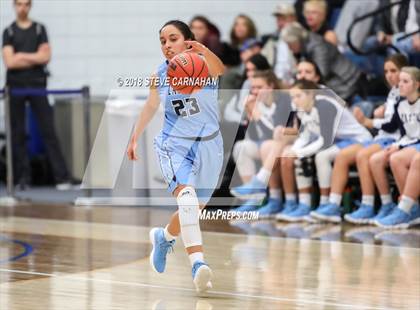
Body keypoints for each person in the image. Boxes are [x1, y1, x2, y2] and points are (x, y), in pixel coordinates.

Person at [126, 20, 225, 293]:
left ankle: (164, 237)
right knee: (188, 201)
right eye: (162, 41)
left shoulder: (204, 65)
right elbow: (151, 104)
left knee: (193, 209)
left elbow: (221, 69)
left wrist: (203, 50)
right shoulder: (159, 74)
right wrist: (135, 136)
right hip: (175, 145)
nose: (167, 45)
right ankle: (198, 264)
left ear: (187, 41)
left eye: (173, 39)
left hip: (209, 145)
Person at [2, 0, 72, 190]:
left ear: (30, 6)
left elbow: (45, 57)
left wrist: (21, 56)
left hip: (37, 86)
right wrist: (33, 57)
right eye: (19, 4)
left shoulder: (40, 29)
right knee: (17, 133)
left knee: (48, 131)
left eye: (26, 4)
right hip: (15, 87)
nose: (22, 8)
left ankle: (62, 178)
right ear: (14, 6)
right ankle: (21, 179)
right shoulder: (8, 32)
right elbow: (10, 62)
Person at [339, 54, 408, 225]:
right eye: (386, 71)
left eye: (394, 71)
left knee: (363, 156)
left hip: (395, 139)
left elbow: (393, 125)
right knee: (355, 155)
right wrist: (382, 109)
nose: (389, 75)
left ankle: (378, 204)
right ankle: (372, 205)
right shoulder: (393, 92)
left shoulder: (405, 92)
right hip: (384, 137)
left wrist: (369, 121)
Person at [230, 70, 296, 218]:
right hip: (269, 143)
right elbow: (253, 136)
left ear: (271, 86)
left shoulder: (283, 100)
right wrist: (250, 112)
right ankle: (252, 200)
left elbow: (274, 134)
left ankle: (272, 197)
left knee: (268, 146)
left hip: (287, 141)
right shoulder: (255, 104)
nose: (255, 91)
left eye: (259, 87)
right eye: (253, 88)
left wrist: (257, 115)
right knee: (241, 147)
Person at [369, 66, 420, 228]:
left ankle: (404, 209)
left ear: (417, 85)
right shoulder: (401, 105)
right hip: (412, 143)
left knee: (409, 158)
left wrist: (400, 146)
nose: (400, 85)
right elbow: (405, 133)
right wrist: (397, 145)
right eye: (400, 82)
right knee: (395, 158)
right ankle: (412, 209)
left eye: (405, 81)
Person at [281, 21, 364, 102]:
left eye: (290, 44)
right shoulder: (306, 44)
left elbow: (320, 74)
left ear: (297, 40)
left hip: (346, 82)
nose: (289, 48)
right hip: (336, 81)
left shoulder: (317, 47)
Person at [261, 3, 297, 85]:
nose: (280, 23)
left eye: (283, 19)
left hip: (295, 81)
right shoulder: (272, 40)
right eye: (278, 19)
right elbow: (263, 59)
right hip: (274, 81)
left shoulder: (302, 37)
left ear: (293, 18)